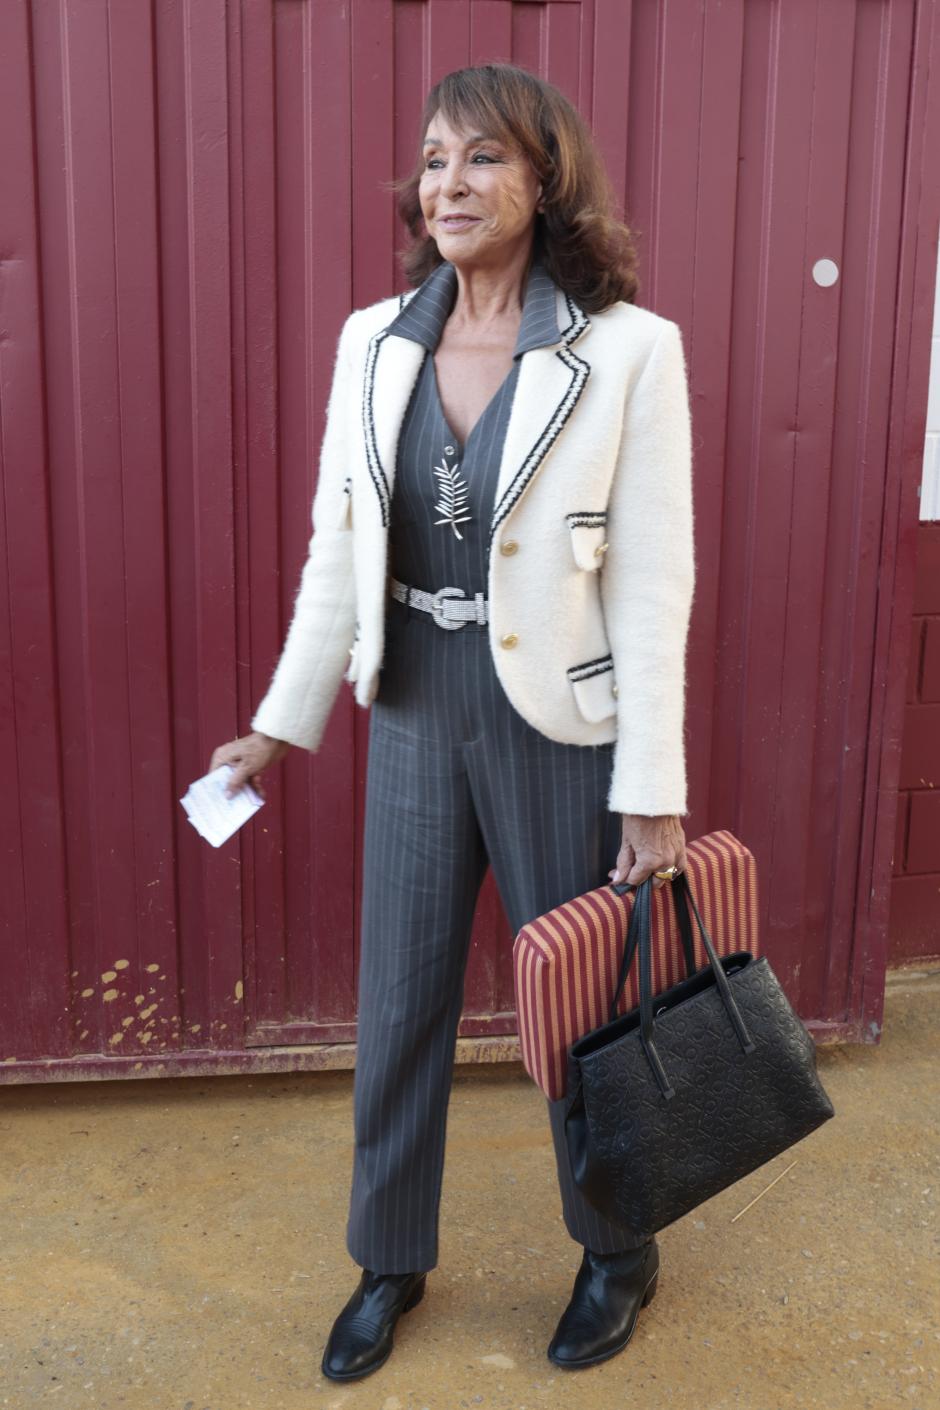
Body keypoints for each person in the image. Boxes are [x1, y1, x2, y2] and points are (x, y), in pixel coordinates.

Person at [210, 61, 694, 1381]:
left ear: (546, 180)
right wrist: (280, 722)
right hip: (419, 701)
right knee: (403, 999)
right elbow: (336, 546)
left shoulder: (627, 349)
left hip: (561, 727)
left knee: (583, 1007)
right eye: (433, 160)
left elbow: (653, 582)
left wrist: (652, 780)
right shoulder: (378, 340)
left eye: (483, 158)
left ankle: (616, 1245)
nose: (450, 184)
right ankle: (389, 1258)